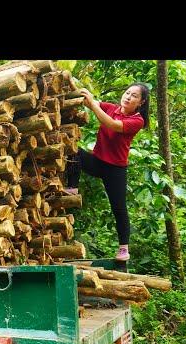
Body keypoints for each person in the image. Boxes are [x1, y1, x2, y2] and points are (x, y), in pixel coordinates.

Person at [65, 83, 150, 261]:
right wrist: (76, 87)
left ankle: (123, 249)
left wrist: (94, 104)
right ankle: (72, 188)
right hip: (98, 162)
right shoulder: (111, 108)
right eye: (127, 92)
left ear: (141, 102)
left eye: (134, 96)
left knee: (118, 208)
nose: (128, 96)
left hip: (115, 169)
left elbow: (111, 124)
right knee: (73, 151)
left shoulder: (137, 121)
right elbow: (90, 102)